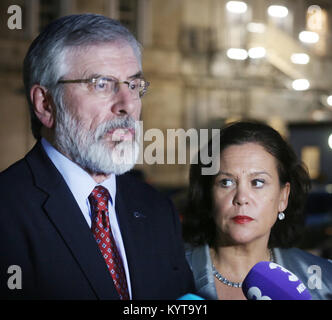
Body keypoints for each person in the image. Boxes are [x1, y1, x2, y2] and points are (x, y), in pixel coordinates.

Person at [0, 14, 195, 300]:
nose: (128, 105)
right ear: (46, 104)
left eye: (133, 85)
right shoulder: (7, 211)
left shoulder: (157, 210)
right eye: (102, 85)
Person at [182, 121, 332, 300]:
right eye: (226, 182)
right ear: (209, 195)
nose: (242, 198)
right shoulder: (170, 275)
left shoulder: (323, 280)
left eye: (258, 182)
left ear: (283, 197)